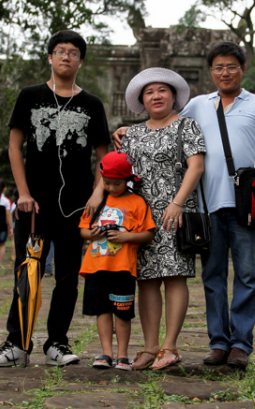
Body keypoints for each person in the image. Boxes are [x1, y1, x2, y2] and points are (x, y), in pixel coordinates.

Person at [113, 42, 255, 370]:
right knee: (213, 275)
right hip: (207, 205)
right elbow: (164, 123)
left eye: (231, 66)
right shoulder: (197, 105)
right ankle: (219, 342)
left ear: (242, 69)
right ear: (210, 72)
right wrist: (125, 129)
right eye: (218, 67)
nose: (225, 73)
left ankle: (241, 344)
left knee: (248, 274)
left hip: (246, 203)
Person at [0, 30, 111, 367]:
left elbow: (104, 156)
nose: (66, 57)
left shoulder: (92, 104)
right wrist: (22, 193)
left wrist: (97, 195)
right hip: (34, 205)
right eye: (59, 51)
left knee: (68, 276)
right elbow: (14, 146)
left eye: (73, 53)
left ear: (80, 61)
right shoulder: (30, 96)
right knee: (28, 271)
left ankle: (57, 342)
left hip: (76, 206)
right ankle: (16, 343)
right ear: (50, 57)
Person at [120, 67, 206, 370]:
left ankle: (170, 346)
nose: (156, 96)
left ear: (173, 95)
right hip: (141, 217)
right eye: (149, 92)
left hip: (175, 212)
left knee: (174, 275)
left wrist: (177, 203)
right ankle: (149, 346)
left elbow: (196, 167)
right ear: (142, 99)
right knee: (146, 279)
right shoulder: (133, 133)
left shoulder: (187, 126)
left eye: (162, 90)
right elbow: (122, 173)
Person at [79, 151, 156, 370]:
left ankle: (123, 354)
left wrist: (126, 237)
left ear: (128, 180)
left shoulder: (137, 202)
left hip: (122, 267)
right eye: (107, 183)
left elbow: (149, 233)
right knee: (101, 310)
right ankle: (106, 353)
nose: (111, 188)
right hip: (96, 266)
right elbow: (83, 230)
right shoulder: (97, 201)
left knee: (122, 311)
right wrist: (92, 234)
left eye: (117, 183)